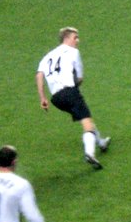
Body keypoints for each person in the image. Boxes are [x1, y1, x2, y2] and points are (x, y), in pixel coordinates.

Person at [35, 27, 110, 170]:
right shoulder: (74, 52)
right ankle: (90, 153)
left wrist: (42, 98)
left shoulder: (48, 56)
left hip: (56, 99)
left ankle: (101, 142)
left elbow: (39, 75)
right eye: (75, 37)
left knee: (84, 116)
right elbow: (80, 78)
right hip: (69, 92)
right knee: (86, 122)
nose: (78, 40)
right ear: (67, 38)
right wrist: (75, 87)